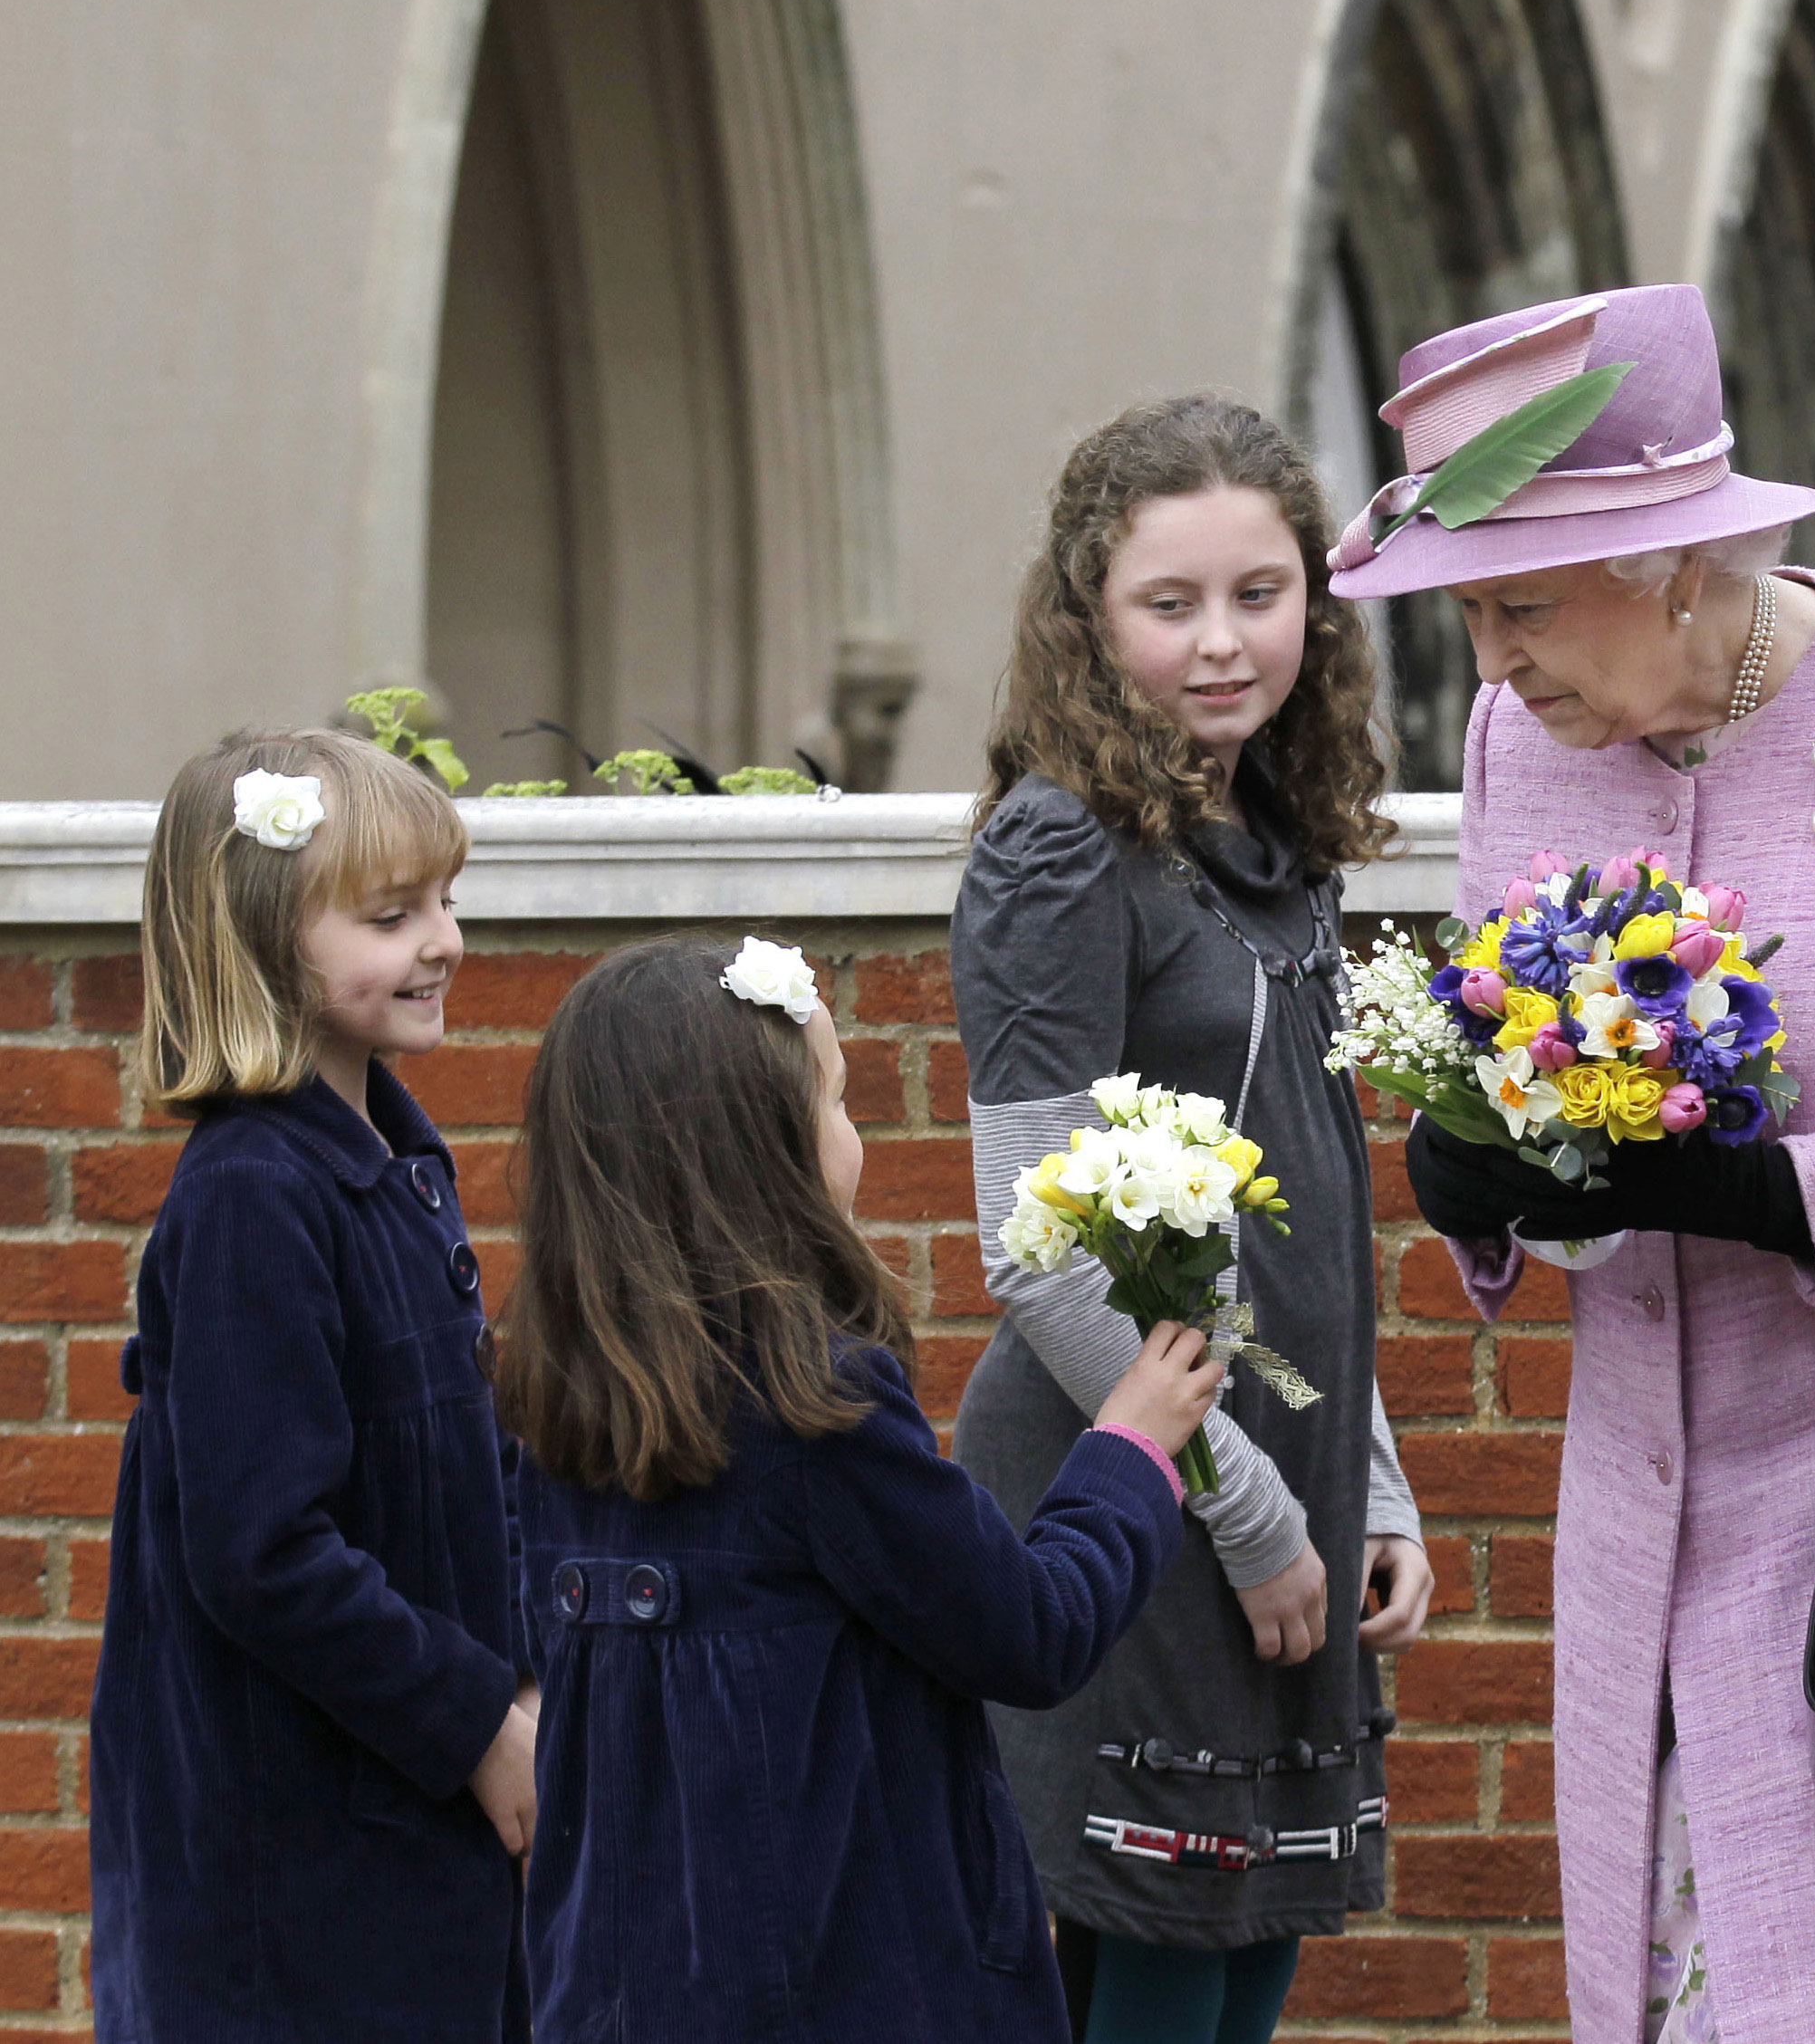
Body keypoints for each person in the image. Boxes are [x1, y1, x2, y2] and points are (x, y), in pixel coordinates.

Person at [1326, 282, 1815, 2040]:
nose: (1496, 666)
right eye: (1467, 618)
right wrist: (1479, 1176)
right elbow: (1507, 1079)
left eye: (1525, 608)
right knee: (1681, 1980)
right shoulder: (1511, 746)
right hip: (1655, 1482)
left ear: (1681, 565)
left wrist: (1774, 1198)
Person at [500, 936, 1215, 2041]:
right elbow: (1029, 1631)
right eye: (836, 1104)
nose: (857, 1138)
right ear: (763, 1156)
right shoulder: (817, 1409)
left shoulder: (546, 1398)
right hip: (854, 1987)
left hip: (616, 1994)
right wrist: (1129, 1450)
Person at [951, 396, 1427, 2044]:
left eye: (1261, 592)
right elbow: (1034, 1238)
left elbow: (1307, 1225)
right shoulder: (1056, 852)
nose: (1223, 644)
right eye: (1171, 606)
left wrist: (1363, 1482)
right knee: (1151, 1975)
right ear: (1089, 618)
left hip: (1265, 1477)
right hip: (1122, 1498)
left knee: (1242, 1966)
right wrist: (1240, 1513)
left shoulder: (1274, 842)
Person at [90, 728, 530, 2041]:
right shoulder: (248, 1200)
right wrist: (476, 1726)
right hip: (293, 1889)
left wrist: (534, 1682)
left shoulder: (398, 1164)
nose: (443, 939)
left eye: (446, 899)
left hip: (413, 1855)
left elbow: (468, 1485)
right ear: (264, 939)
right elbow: (262, 1549)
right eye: (393, 915)